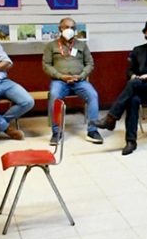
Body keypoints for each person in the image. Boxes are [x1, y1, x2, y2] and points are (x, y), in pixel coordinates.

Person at [93, 19, 147, 156]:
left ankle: (111, 119)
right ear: (145, 32)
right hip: (140, 87)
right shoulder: (138, 50)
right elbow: (130, 72)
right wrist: (136, 77)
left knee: (133, 85)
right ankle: (131, 141)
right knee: (132, 99)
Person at [42, 17, 102, 145]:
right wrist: (60, 76)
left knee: (93, 95)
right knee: (54, 95)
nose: (69, 30)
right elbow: (46, 65)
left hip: (79, 81)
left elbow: (90, 63)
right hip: (60, 81)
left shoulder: (82, 45)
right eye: (66, 27)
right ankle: (56, 132)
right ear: (60, 29)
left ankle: (93, 131)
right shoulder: (51, 46)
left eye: (72, 28)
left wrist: (81, 75)